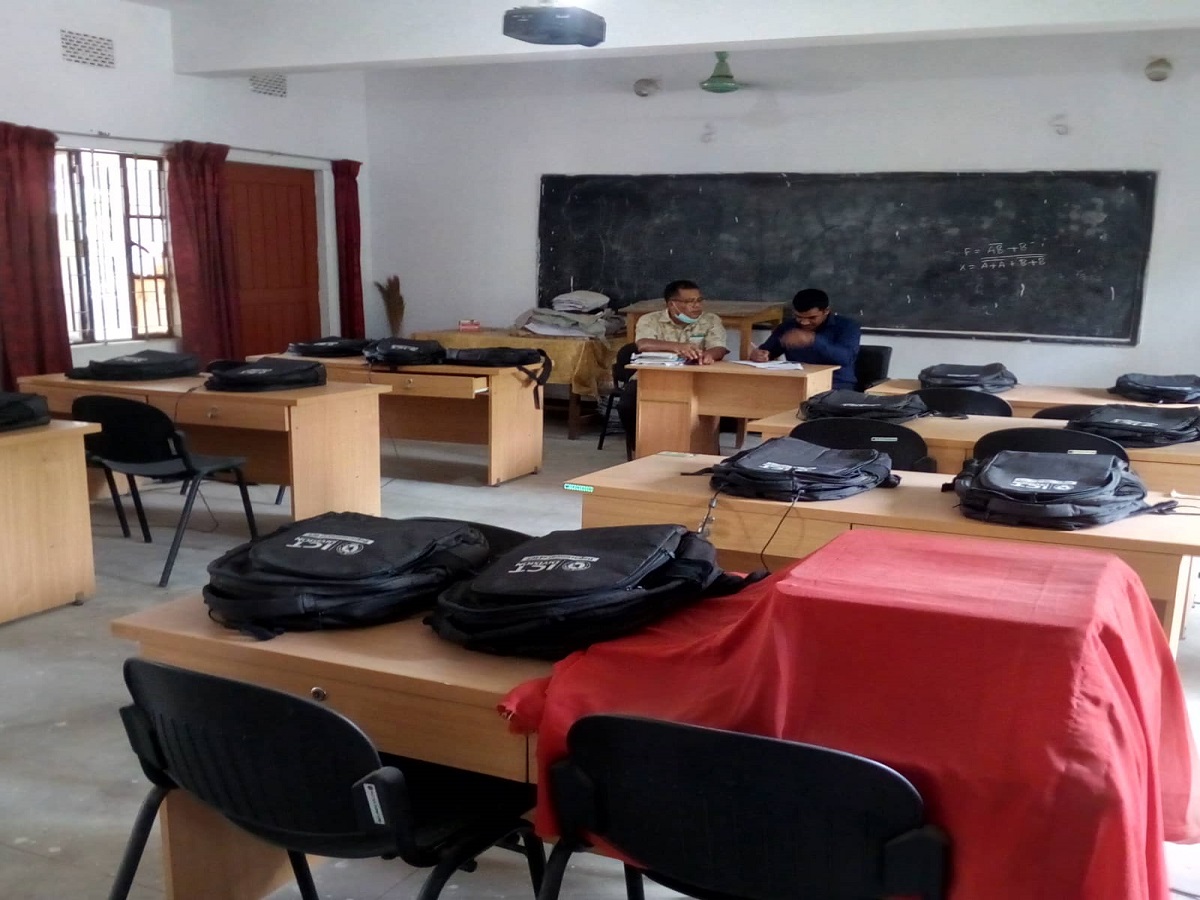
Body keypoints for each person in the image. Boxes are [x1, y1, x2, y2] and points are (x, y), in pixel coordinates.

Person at [616, 280, 729, 456]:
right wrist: (677, 347)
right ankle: (640, 449)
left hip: (697, 380)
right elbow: (644, 344)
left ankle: (702, 449)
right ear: (672, 304)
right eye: (689, 301)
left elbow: (719, 347)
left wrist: (710, 355)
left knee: (718, 404)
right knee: (627, 404)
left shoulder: (710, 320)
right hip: (651, 378)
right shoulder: (650, 320)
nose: (696, 306)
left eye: (699, 300)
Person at [750, 288, 860, 390]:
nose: (804, 322)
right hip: (796, 383)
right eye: (798, 317)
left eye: (812, 318)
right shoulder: (788, 327)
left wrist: (814, 340)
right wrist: (758, 355)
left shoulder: (847, 327)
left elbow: (846, 358)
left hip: (835, 385)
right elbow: (768, 351)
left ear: (826, 311)